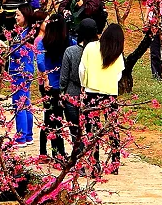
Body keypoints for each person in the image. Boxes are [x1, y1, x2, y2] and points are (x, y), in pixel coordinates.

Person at [79, 22, 125, 175]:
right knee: (112, 127)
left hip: (91, 91)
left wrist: (84, 84)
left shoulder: (91, 47)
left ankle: (95, 162)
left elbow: (82, 70)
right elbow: (119, 75)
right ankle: (115, 162)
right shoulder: (117, 53)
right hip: (110, 92)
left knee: (92, 129)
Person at [59, 18, 98, 155]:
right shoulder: (99, 51)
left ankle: (78, 158)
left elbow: (64, 77)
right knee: (91, 130)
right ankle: (93, 159)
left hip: (71, 94)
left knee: (75, 131)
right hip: (92, 94)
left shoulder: (70, 51)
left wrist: (61, 92)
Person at [36, 12, 71, 160]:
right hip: (64, 86)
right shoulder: (70, 42)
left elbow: (40, 61)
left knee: (49, 118)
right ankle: (59, 153)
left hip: (49, 86)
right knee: (60, 120)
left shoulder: (43, 42)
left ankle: (48, 152)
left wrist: (45, 77)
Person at [9, 4, 38, 146]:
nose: (16, 18)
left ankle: (21, 136)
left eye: (18, 15)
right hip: (26, 71)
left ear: (25, 16)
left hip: (19, 72)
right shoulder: (27, 33)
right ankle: (28, 135)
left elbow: (20, 53)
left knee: (19, 105)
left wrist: (6, 47)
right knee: (26, 103)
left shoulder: (25, 35)